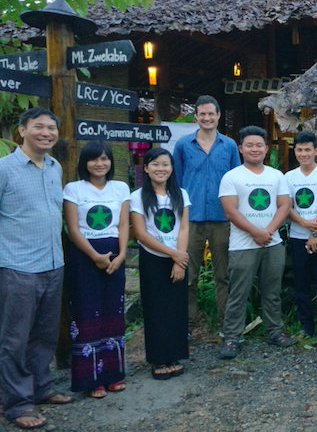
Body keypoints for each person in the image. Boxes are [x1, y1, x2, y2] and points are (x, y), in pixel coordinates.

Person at [0, 108, 72, 429]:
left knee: (43, 335)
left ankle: (41, 388)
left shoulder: (55, 167)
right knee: (14, 338)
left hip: (52, 263)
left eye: (51, 128)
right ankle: (16, 404)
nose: (46, 132)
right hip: (17, 267)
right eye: (38, 127)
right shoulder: (5, 169)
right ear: (22, 131)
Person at [63, 141, 131, 398]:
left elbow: (123, 225)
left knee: (112, 311)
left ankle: (113, 375)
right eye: (94, 159)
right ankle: (90, 380)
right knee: (86, 312)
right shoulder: (74, 189)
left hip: (115, 253)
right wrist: (95, 256)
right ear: (85, 163)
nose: (100, 163)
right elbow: (73, 229)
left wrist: (122, 254)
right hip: (84, 257)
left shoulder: (120, 187)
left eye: (104, 159)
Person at [218, 126, 292, 359]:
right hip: (242, 245)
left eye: (259, 145)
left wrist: (268, 231)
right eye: (249, 145)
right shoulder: (231, 177)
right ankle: (231, 338)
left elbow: (284, 205)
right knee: (238, 292)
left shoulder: (276, 176)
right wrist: (255, 232)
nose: (254, 149)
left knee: (272, 291)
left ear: (266, 148)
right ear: (240, 148)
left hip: (272, 242)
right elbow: (230, 212)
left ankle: (275, 331)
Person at [172, 95, 240, 328]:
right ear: (196, 117)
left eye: (211, 113)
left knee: (223, 274)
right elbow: (177, 182)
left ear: (219, 115)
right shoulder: (183, 145)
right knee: (188, 274)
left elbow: (236, 181)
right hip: (190, 220)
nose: (207, 118)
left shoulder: (229, 146)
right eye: (202, 113)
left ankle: (224, 323)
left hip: (222, 218)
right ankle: (188, 322)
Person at [129, 148, 190, 381]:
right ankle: (158, 359)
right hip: (153, 258)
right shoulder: (137, 197)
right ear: (145, 168)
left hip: (177, 258)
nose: (160, 169)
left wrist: (180, 259)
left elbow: (183, 228)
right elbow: (141, 234)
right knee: (155, 310)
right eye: (154, 164)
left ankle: (174, 355)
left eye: (165, 164)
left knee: (175, 309)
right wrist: (172, 254)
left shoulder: (181, 194)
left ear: (172, 168)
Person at [286, 131, 317, 346]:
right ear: (295, 151)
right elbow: (287, 208)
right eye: (300, 149)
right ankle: (305, 327)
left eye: (308, 149)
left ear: (316, 150)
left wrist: (315, 232)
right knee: (301, 284)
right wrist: (307, 227)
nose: (304, 153)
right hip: (298, 237)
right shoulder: (288, 177)